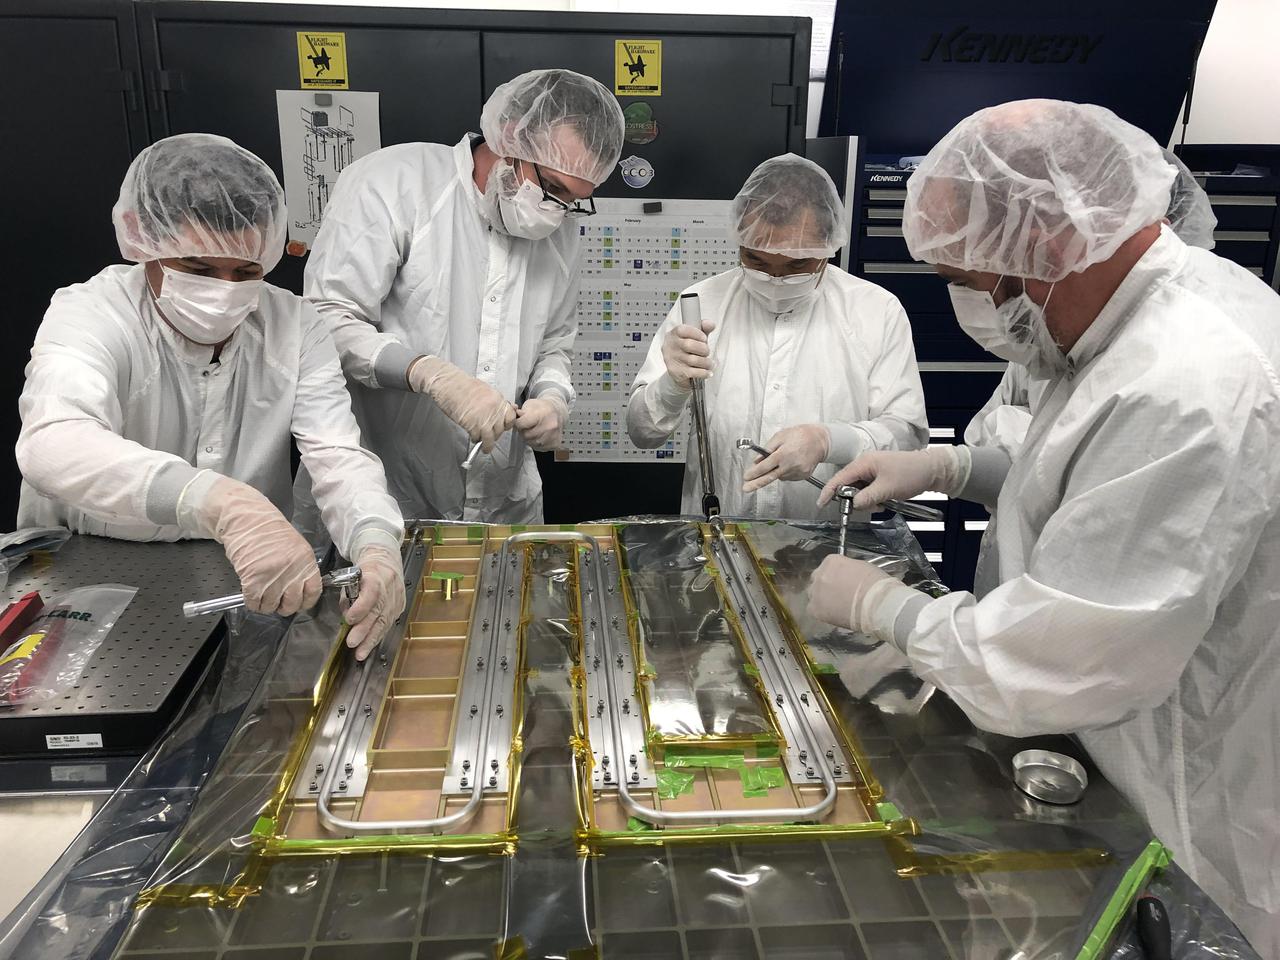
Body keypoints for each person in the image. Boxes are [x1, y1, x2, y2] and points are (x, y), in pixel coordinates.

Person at [807, 100, 1280, 952]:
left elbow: (1065, 655)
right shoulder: (1130, 320)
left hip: (1190, 784)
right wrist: (954, 468)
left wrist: (886, 608)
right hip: (1123, 737)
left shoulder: (1187, 380)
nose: (967, 306)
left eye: (966, 279)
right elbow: (1084, 483)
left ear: (1051, 245)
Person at [15, 134, 405, 661]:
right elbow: (54, 442)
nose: (224, 291)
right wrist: (221, 503)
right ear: (143, 241)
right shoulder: (92, 312)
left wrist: (375, 540)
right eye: (198, 270)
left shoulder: (294, 325)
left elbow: (336, 453)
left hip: (232, 570)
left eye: (245, 272)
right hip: (88, 565)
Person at [299, 69, 624, 526]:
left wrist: (551, 397)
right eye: (551, 187)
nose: (555, 211)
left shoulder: (560, 235)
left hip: (504, 503)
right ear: (511, 134)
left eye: (573, 200)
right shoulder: (397, 184)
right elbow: (325, 321)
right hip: (384, 497)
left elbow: (555, 345)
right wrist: (425, 373)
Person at [626, 154, 928, 520]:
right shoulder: (701, 303)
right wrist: (671, 386)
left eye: (798, 263)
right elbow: (643, 433)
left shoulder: (876, 311)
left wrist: (829, 441)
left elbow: (907, 437)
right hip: (720, 535)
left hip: (831, 540)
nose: (776, 279)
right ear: (740, 239)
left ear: (828, 246)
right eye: (757, 260)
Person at [965, 148, 1218, 455]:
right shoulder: (1058, 323)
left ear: (1161, 230)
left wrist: (1012, 445)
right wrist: (958, 465)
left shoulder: (1180, 369)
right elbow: (993, 422)